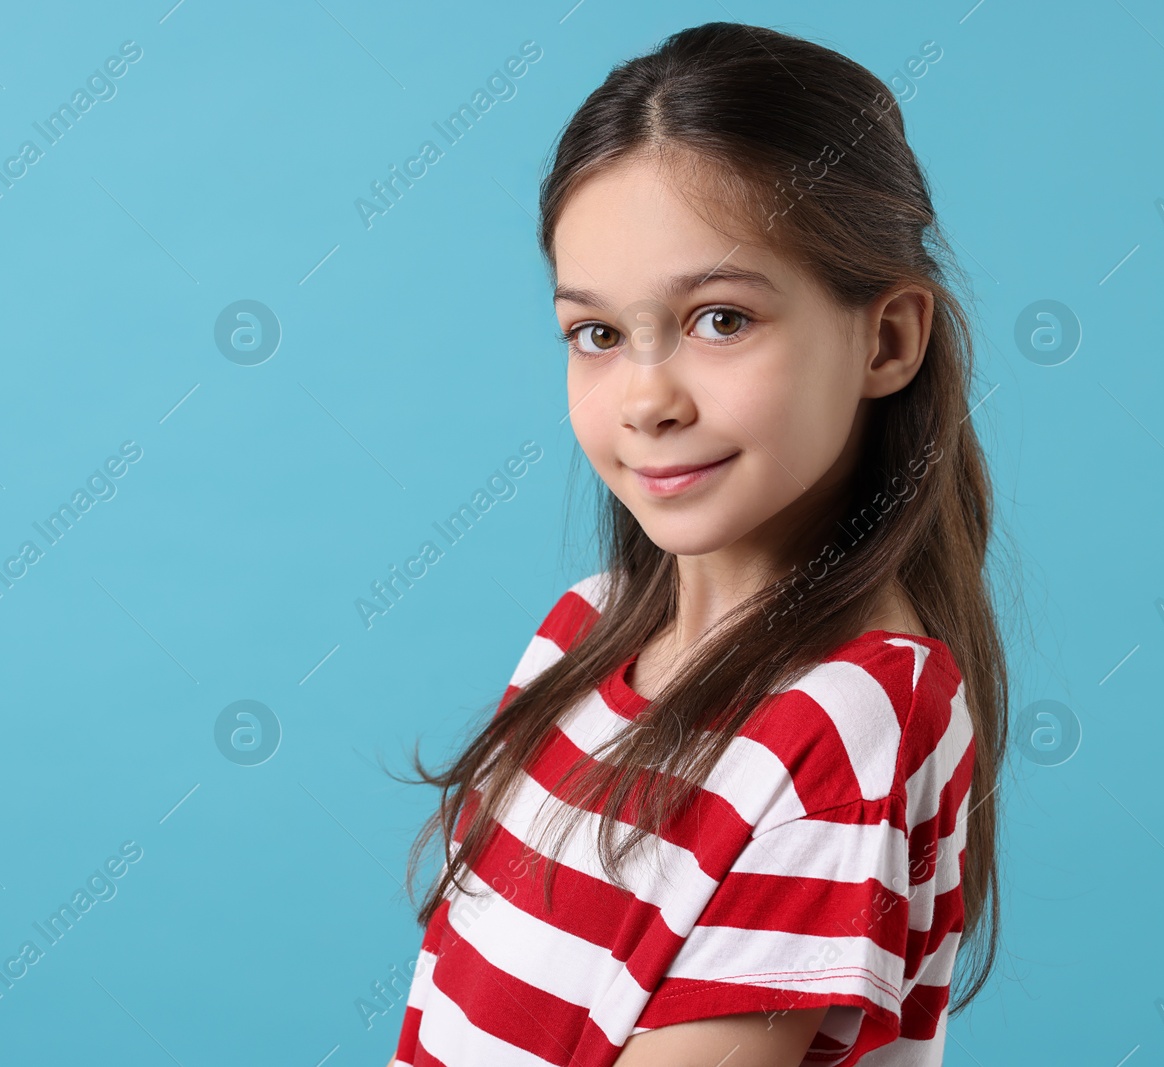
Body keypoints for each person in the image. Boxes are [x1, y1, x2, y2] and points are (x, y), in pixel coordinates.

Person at [385, 19, 1008, 1067]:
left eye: (720, 318)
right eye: (597, 333)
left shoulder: (848, 716)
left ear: (887, 338)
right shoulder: (579, 630)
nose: (646, 399)